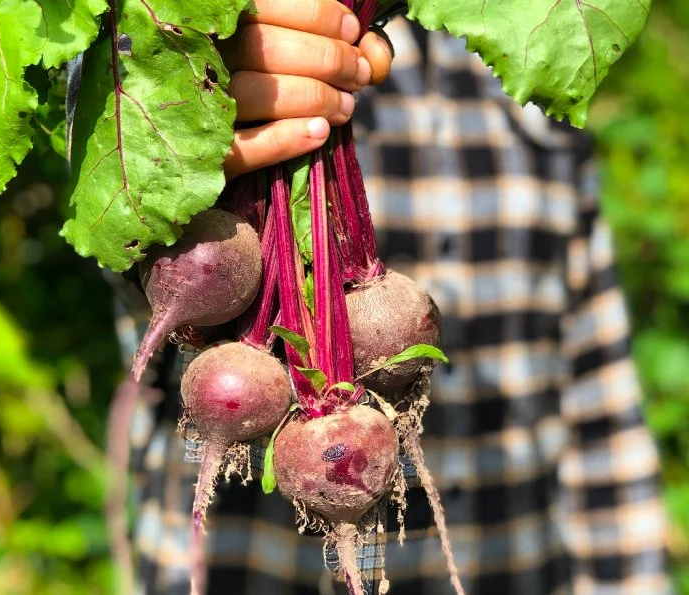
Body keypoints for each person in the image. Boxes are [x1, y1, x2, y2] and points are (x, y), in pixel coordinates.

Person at [111, 1, 674, 593]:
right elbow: (127, 256)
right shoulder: (223, 31)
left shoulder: (524, 81)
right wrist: (182, 100)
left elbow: (597, 390)